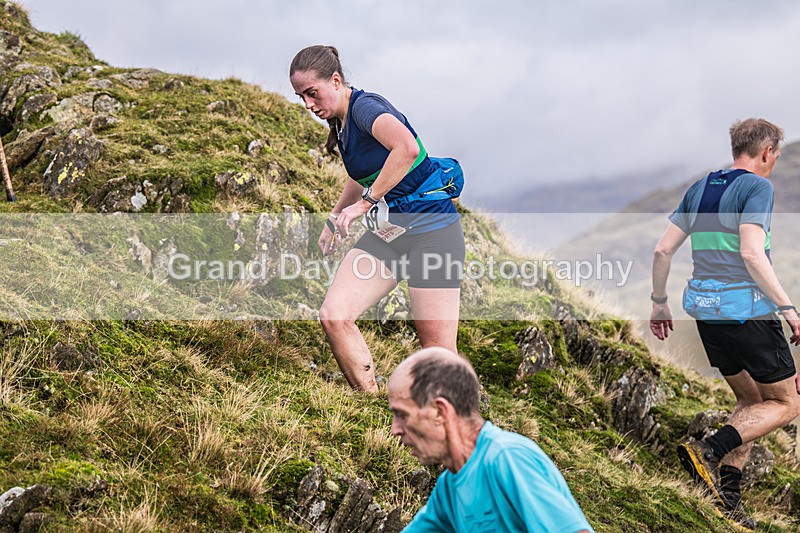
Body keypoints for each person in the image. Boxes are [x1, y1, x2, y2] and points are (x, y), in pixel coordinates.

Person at [650, 118, 800, 530]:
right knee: (787, 403)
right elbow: (753, 254)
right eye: (776, 155)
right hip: (746, 311)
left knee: (751, 402)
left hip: (706, 312)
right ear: (767, 152)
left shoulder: (700, 187)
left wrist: (659, 302)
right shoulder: (757, 187)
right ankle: (709, 449)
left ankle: (726, 498)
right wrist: (788, 309)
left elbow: (663, 250)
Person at [289, 46, 465, 392]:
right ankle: (369, 401)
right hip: (393, 231)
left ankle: (465, 429)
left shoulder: (366, 108)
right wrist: (335, 216)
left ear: (336, 80)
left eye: (312, 93)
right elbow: (364, 172)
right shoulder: (339, 123)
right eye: (301, 97)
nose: (309, 104)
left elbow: (407, 148)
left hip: (433, 231)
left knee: (438, 351)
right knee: (335, 315)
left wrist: (366, 204)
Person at [388, 347, 594, 533]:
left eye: (402, 415)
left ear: (440, 411)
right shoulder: (449, 488)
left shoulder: (507, 458)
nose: (394, 429)